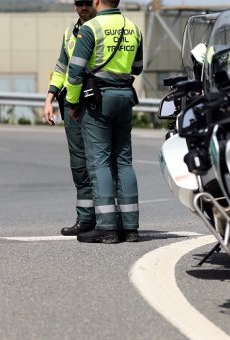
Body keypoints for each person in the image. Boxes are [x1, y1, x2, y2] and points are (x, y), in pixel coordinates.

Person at [64, 0, 143, 244]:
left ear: (98, 1)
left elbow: (75, 73)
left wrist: (73, 104)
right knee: (124, 161)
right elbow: (137, 68)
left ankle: (107, 227)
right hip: (124, 97)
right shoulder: (133, 27)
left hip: (99, 100)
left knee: (99, 163)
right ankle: (130, 228)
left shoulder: (90, 29)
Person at [42, 0, 98, 237]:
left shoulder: (101, 28)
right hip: (70, 103)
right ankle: (85, 218)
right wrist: (49, 97)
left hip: (95, 102)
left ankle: (109, 219)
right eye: (78, 4)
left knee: (101, 160)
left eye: (87, 3)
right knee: (79, 161)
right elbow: (61, 67)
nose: (83, 8)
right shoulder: (69, 34)